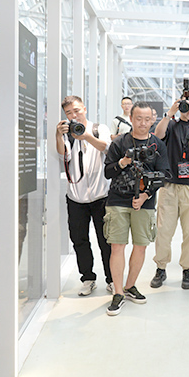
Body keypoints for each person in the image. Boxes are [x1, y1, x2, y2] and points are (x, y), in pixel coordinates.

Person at [102, 102, 169, 315]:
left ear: (152, 120)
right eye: (138, 118)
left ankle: (130, 286)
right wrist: (123, 162)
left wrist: (145, 196)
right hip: (117, 201)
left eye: (147, 119)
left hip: (145, 203)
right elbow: (108, 172)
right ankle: (118, 292)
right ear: (130, 118)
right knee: (117, 246)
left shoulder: (158, 145)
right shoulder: (119, 143)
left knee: (141, 246)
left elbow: (164, 176)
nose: (142, 123)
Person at [150, 90, 189, 290]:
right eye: (185, 103)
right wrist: (169, 114)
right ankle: (161, 268)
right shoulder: (170, 125)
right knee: (163, 230)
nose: (187, 107)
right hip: (169, 184)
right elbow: (158, 135)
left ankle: (187, 270)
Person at [55, 95, 114, 296]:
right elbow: (62, 155)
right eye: (69, 113)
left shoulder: (99, 128)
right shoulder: (67, 133)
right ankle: (88, 278)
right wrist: (58, 136)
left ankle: (111, 279)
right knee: (79, 240)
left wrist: (86, 136)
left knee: (106, 240)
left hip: (101, 196)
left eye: (77, 110)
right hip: (76, 197)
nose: (74, 115)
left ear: (85, 109)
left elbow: (106, 148)